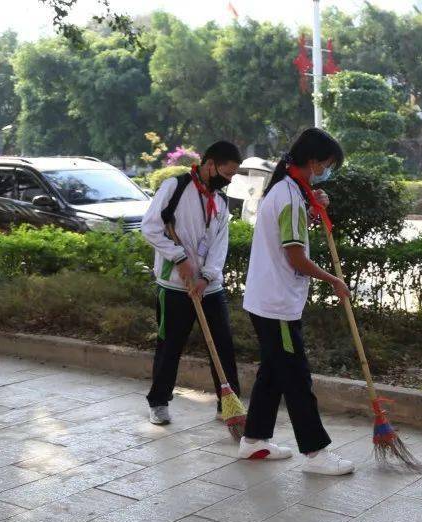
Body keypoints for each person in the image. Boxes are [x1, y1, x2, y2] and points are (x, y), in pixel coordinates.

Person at [237, 127, 355, 476]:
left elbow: (292, 237)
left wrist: (314, 207)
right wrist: (333, 279)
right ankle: (316, 452)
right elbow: (295, 257)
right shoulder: (288, 196)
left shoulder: (290, 191)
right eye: (328, 164)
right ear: (313, 162)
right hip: (276, 306)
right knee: (296, 377)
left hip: (270, 301)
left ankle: (254, 440)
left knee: (273, 374)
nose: (328, 171)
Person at [143, 140, 243, 426]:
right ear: (210, 165)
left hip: (210, 289)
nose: (229, 179)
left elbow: (219, 245)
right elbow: (150, 227)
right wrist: (178, 258)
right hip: (174, 287)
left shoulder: (221, 203)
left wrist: (207, 276)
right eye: (227, 173)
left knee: (223, 346)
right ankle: (159, 401)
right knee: (170, 345)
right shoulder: (174, 188)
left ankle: (229, 405)